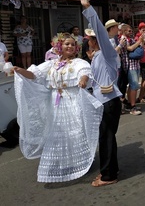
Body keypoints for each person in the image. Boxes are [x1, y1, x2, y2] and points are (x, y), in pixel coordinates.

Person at [13, 33, 103, 183]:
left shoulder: (79, 62)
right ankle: (64, 161)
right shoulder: (51, 64)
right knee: (57, 132)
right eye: (67, 44)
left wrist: (82, 80)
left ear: (77, 48)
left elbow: (84, 72)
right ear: (59, 46)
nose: (70, 46)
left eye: (73, 44)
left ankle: (80, 160)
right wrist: (20, 70)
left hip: (73, 100)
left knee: (75, 130)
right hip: (55, 103)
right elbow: (34, 75)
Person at [80, 0, 123, 187]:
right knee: (106, 137)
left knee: (106, 138)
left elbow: (99, 31)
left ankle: (109, 175)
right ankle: (110, 169)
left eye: (90, 37)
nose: (88, 40)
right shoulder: (98, 56)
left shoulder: (107, 51)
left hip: (109, 102)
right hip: (104, 101)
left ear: (94, 39)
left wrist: (89, 8)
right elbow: (94, 80)